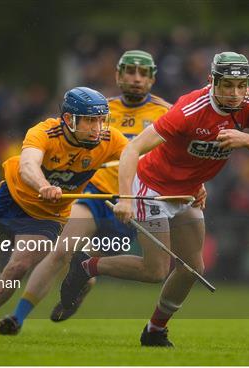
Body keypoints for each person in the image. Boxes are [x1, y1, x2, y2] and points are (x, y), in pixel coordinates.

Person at [13, 51, 249, 347]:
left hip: (186, 192)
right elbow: (133, 150)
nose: (234, 93)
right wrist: (126, 199)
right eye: (226, 85)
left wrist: (248, 139)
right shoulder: (189, 109)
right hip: (153, 187)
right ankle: (87, 267)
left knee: (193, 268)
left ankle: (154, 330)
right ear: (212, 81)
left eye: (241, 85)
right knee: (156, 270)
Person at [0, 87, 128, 343]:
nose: (97, 127)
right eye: (89, 120)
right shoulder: (43, 132)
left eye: (100, 119)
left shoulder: (111, 140)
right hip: (12, 199)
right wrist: (44, 185)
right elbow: (29, 164)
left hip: (47, 215)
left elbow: (141, 160)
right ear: (68, 120)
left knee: (18, 266)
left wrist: (186, 187)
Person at [48, 50, 172, 322]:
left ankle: (85, 277)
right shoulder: (98, 110)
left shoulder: (166, 112)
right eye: (129, 71)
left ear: (152, 79)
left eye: (143, 73)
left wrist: (197, 184)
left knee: (141, 265)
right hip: (96, 193)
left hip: (139, 199)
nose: (136, 79)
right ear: (117, 75)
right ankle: (20, 315)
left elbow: (182, 158)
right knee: (62, 248)